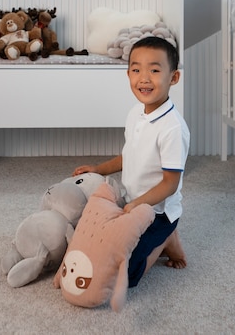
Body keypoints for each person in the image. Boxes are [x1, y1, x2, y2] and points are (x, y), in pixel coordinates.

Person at [73, 35, 190, 288]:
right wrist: (97, 169)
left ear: (174, 78)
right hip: (131, 202)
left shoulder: (172, 128)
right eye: (136, 70)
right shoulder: (135, 114)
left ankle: (168, 240)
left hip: (158, 213)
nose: (144, 78)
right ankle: (161, 237)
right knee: (99, 247)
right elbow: (130, 156)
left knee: (126, 275)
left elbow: (170, 183)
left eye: (155, 70)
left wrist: (139, 204)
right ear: (128, 75)